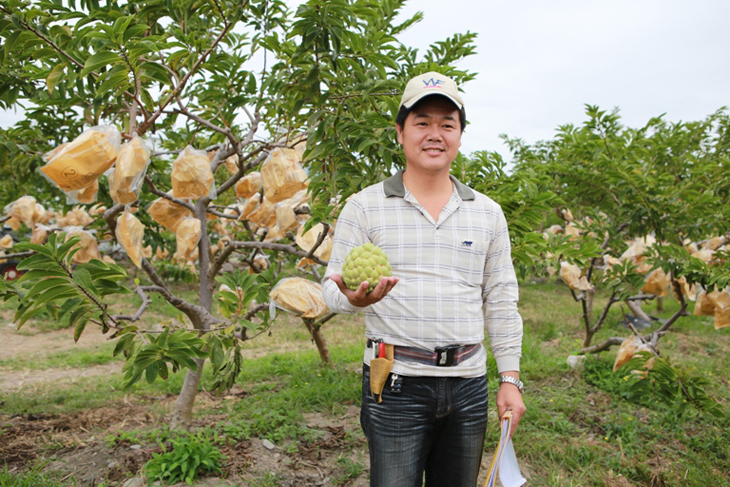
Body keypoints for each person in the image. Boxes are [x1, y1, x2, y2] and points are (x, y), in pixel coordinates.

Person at [322, 71, 526, 487]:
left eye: (447, 124)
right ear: (400, 132)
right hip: (396, 384)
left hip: (468, 384)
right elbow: (331, 290)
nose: (435, 134)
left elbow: (502, 299)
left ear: (460, 136)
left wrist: (510, 379)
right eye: (422, 122)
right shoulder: (364, 207)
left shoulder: (487, 213)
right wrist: (355, 300)